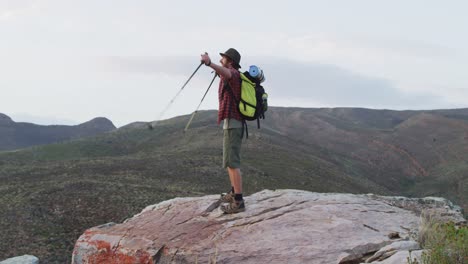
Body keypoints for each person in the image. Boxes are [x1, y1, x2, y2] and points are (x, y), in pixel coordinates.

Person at [200, 48, 245, 214]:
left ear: (230, 61)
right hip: (230, 123)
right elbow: (222, 73)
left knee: (233, 162)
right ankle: (234, 192)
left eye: (223, 58)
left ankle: (239, 201)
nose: (221, 60)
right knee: (229, 162)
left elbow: (226, 73)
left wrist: (209, 63)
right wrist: (212, 65)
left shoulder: (234, 74)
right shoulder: (229, 74)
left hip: (234, 123)